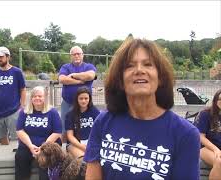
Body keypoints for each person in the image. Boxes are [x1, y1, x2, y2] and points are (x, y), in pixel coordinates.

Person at [84, 38, 200, 179]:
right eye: (130, 66)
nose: (139, 70)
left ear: (160, 78)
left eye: (148, 64)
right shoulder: (103, 122)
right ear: (120, 80)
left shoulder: (185, 134)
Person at [15, 86, 62, 180]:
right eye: (34, 96)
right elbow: (19, 130)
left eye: (40, 96)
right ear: (31, 98)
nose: (37, 98)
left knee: (45, 166)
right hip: (28, 144)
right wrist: (30, 146)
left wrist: (43, 147)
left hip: (48, 145)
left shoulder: (52, 112)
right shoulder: (24, 112)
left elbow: (57, 132)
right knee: (21, 157)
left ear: (45, 98)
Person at [0, 46, 26, 145]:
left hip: (13, 110)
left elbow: (23, 89)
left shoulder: (16, 72)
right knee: (1, 137)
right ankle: (6, 153)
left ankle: (18, 155)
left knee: (17, 136)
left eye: (1, 57)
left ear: (8, 57)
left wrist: (22, 106)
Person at [58, 46, 97, 139]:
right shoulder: (65, 67)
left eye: (78, 54)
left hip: (85, 105)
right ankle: (64, 149)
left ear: (82, 55)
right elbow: (62, 79)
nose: (76, 56)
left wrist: (73, 75)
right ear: (70, 56)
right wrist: (80, 81)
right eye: (74, 54)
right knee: (64, 127)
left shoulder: (89, 66)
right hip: (68, 103)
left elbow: (90, 76)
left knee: (86, 126)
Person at [65, 86, 100, 159]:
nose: (83, 101)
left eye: (86, 98)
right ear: (77, 99)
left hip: (91, 143)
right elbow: (70, 136)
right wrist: (82, 147)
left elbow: (99, 131)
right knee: (83, 160)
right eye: (81, 98)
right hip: (75, 144)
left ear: (89, 99)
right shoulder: (70, 114)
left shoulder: (95, 112)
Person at [195, 89, 221, 180]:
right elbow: (201, 137)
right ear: (215, 101)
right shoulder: (205, 114)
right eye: (220, 99)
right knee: (219, 162)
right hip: (206, 148)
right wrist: (216, 150)